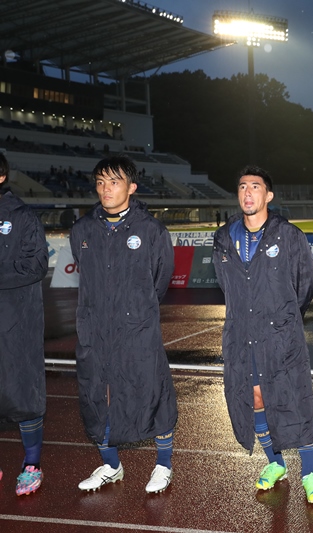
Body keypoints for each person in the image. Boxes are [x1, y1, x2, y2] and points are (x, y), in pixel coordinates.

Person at [212, 166, 313, 503]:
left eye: (255, 187)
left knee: (294, 399)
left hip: (281, 335)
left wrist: (285, 318)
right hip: (242, 333)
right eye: (242, 187)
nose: (248, 193)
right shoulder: (224, 237)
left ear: (269, 195)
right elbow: (226, 285)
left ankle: (309, 473)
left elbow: (307, 284)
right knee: (255, 398)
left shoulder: (288, 235)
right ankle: (275, 463)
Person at [69, 155, 177, 494]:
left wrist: (135, 311)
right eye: (100, 182)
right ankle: (111, 465)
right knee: (96, 394)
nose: (105, 189)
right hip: (95, 330)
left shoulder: (151, 230)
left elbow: (160, 280)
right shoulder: (82, 230)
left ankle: (163, 464)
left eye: (114, 182)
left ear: (131, 187)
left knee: (153, 391)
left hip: (137, 330)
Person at [0, 152, 48, 495]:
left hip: (16, 322)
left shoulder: (22, 217)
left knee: (22, 393)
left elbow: (35, 266)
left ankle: (32, 465)